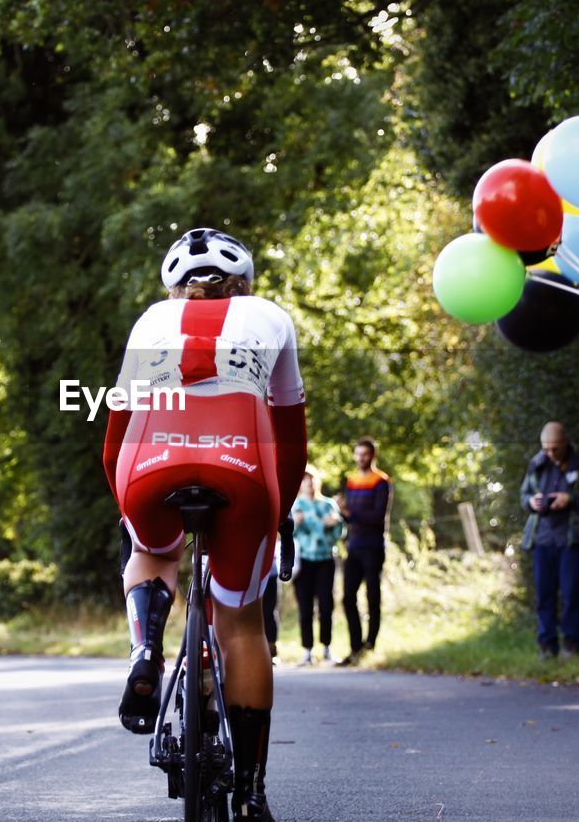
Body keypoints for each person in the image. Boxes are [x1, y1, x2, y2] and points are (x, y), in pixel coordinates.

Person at [102, 227, 306, 819]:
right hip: (241, 463)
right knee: (242, 625)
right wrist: (280, 510)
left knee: (153, 553)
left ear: (173, 289)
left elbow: (114, 437)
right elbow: (290, 440)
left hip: (150, 463)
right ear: (243, 283)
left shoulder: (149, 323)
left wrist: (129, 510)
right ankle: (251, 792)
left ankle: (146, 650)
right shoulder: (271, 316)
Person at [520, 421, 579, 659]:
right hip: (542, 538)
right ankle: (547, 645)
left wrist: (569, 498)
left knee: (571, 593)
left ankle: (572, 644)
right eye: (546, 449)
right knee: (544, 595)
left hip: (571, 539)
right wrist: (532, 502)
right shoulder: (537, 463)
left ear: (565, 442)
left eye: (554, 449)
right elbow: (524, 495)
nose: (549, 454)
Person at [336, 437, 391, 666]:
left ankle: (371, 642)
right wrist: (342, 512)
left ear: (373, 456)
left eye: (365, 454)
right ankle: (355, 646)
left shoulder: (382, 481)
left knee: (372, 595)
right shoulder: (351, 481)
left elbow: (378, 517)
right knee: (347, 597)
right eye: (357, 454)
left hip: (373, 546)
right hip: (354, 546)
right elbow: (349, 518)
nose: (361, 458)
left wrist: (350, 513)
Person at [290, 467, 342, 666]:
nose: (309, 484)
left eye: (311, 480)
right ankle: (307, 651)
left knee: (326, 605)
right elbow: (286, 533)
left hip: (325, 560)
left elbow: (340, 532)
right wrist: (295, 523)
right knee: (305, 608)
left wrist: (335, 524)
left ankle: (327, 648)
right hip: (303, 561)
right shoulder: (295, 506)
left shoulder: (327, 504)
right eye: (304, 481)